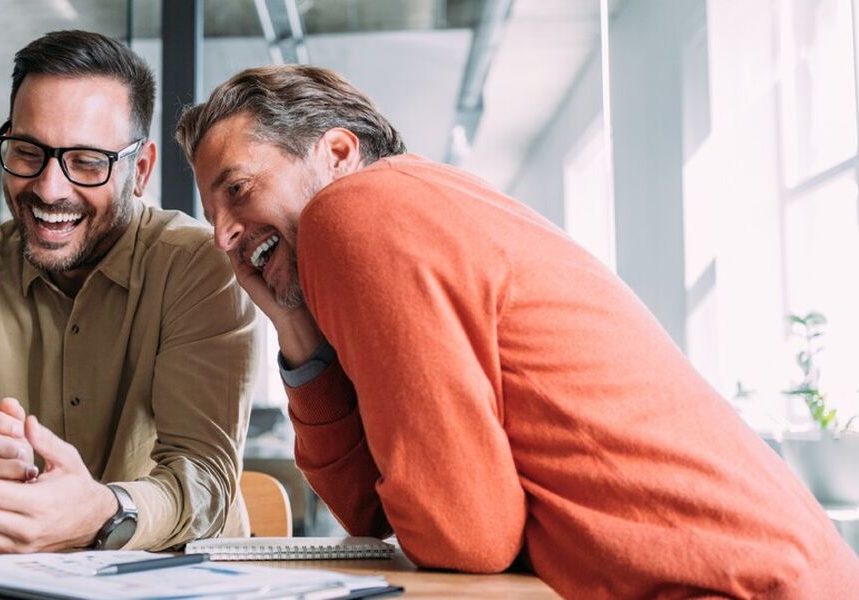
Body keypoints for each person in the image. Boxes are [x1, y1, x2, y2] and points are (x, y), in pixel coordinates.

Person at [175, 65, 859, 598]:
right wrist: (293, 325)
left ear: (338, 153)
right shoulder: (417, 211)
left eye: (237, 189)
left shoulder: (356, 211)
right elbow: (367, 512)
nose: (224, 234)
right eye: (211, 213)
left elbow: (463, 534)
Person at [0, 30, 258, 554]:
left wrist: (105, 513)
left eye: (86, 161)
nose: (48, 188)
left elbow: (203, 481)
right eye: (27, 151)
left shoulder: (200, 268)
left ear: (140, 171)